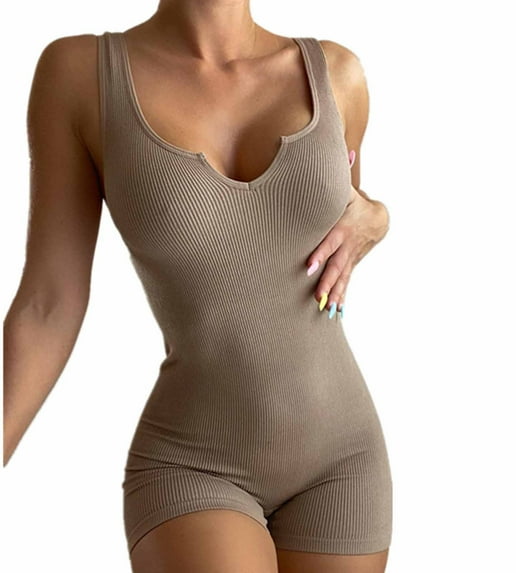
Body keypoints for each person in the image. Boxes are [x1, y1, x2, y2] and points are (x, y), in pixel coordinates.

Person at [3, 1, 391, 571]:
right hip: (195, 463)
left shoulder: (337, 74)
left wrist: (379, 216)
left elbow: (343, 226)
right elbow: (48, 302)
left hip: (343, 460)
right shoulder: (81, 75)